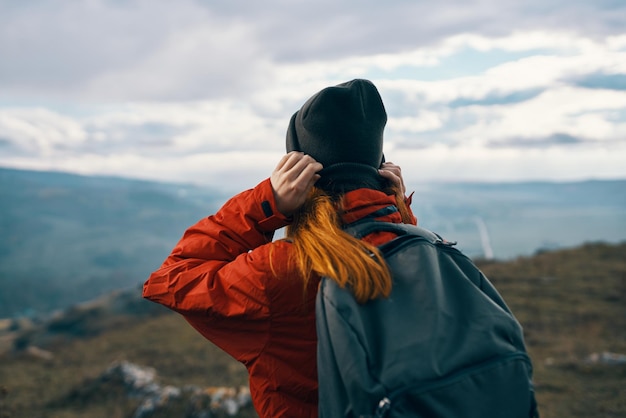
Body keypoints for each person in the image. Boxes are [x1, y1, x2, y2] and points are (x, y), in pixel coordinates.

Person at [143, 79, 417, 417]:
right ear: (378, 167)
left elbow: (173, 279)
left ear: (297, 173)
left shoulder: (278, 273)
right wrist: (397, 213)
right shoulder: (422, 253)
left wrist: (266, 203)